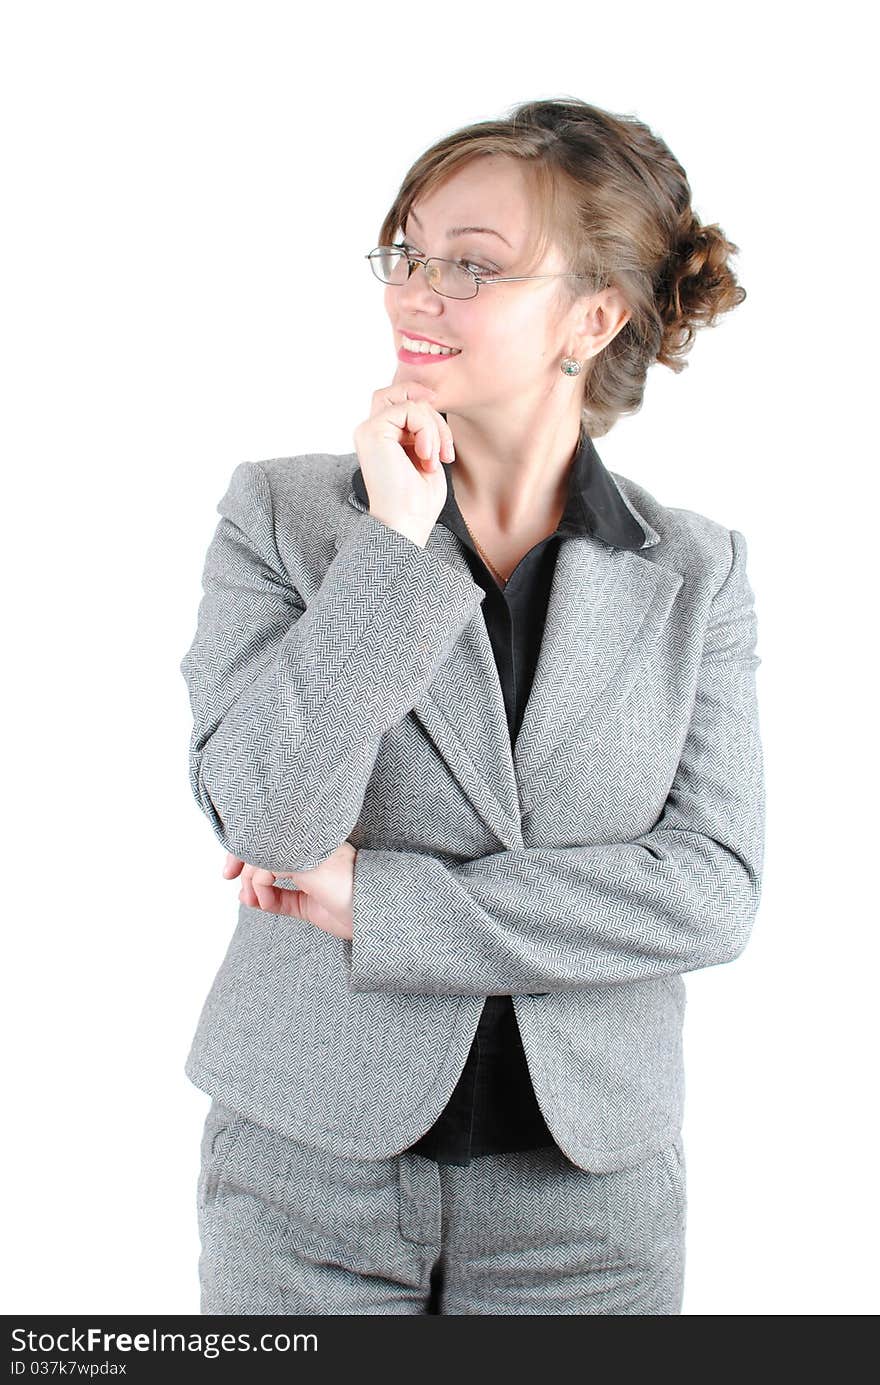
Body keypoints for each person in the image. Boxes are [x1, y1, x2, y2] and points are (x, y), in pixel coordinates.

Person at [180, 96, 765, 1315]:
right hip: (308, 1177)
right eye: (406, 251)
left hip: (587, 1205)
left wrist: (383, 903)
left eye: (470, 265)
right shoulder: (283, 517)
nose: (415, 292)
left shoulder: (692, 573)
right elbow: (272, 822)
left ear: (591, 317)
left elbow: (710, 889)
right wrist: (391, 549)